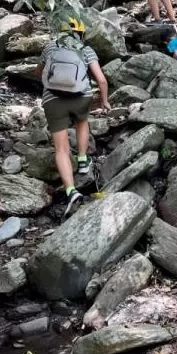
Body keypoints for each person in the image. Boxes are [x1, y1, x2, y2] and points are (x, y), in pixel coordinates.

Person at [38, 17, 111, 214]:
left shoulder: (50, 48)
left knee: (61, 149)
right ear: (81, 33)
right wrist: (104, 101)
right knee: (82, 122)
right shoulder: (86, 50)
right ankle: (81, 159)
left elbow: (40, 73)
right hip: (81, 97)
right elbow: (101, 80)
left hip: (53, 100)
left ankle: (71, 190)